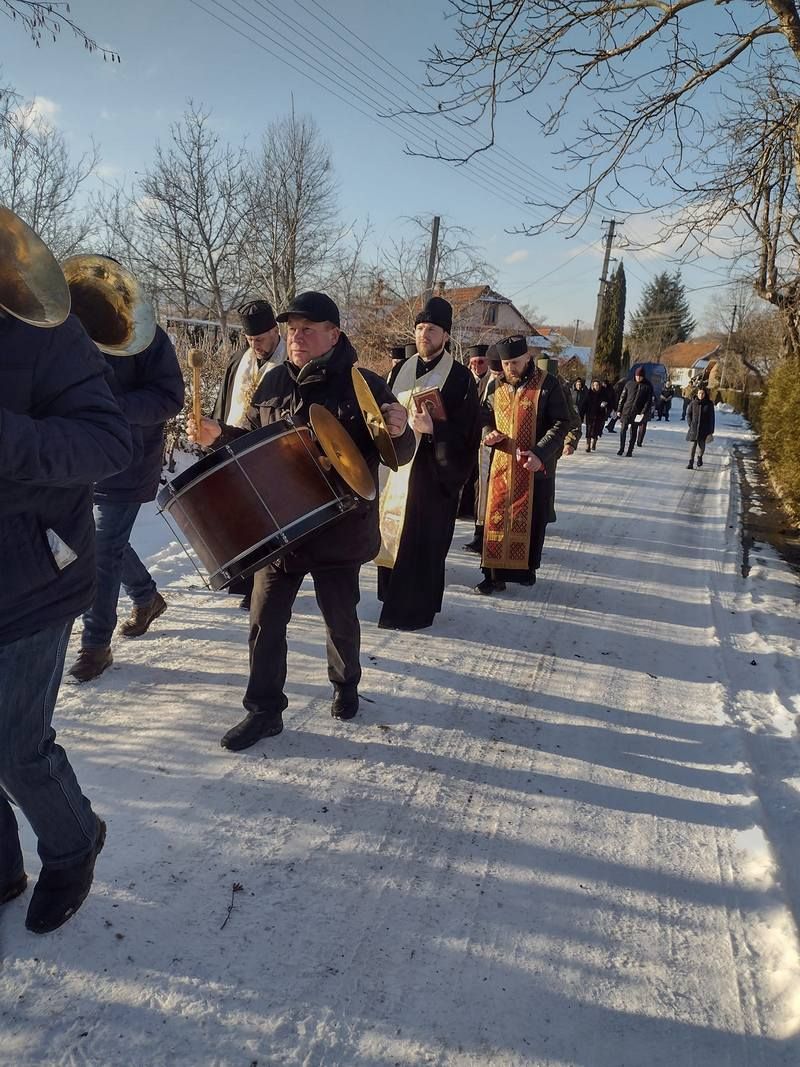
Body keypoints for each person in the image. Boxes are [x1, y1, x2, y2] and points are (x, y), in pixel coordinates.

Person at [189, 291, 415, 750]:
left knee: (340, 619)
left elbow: (400, 452)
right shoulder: (272, 383)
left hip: (339, 529)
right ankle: (264, 710)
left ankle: (346, 683)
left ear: (334, 334)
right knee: (264, 621)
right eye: (292, 330)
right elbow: (250, 446)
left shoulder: (365, 385)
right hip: (281, 530)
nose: (296, 337)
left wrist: (401, 429)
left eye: (307, 329)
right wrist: (219, 436)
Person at [1, 280, 133, 933]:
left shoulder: (44, 330)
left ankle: (75, 842)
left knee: (15, 745)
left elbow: (108, 443)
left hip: (31, 575)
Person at [67, 322, 185, 682]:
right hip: (75, 457)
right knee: (102, 542)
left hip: (126, 461)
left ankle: (95, 645)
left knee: (102, 547)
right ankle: (146, 596)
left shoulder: (144, 331)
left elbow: (169, 397)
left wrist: (108, 406)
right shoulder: (64, 326)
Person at [376, 296, 481, 630]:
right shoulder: (399, 370)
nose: (424, 334)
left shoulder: (461, 378)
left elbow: (469, 433)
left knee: (423, 542)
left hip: (432, 475)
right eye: (420, 327)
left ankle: (414, 613)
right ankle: (391, 600)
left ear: (445, 335)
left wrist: (436, 430)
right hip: (397, 469)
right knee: (394, 535)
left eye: (432, 329)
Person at [476, 336, 570, 594]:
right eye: (506, 364)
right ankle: (492, 575)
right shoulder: (496, 386)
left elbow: (561, 422)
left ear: (527, 357)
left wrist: (540, 453)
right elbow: (484, 415)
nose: (510, 368)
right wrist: (488, 432)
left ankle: (525, 571)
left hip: (535, 468)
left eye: (515, 363)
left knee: (531, 522)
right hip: (502, 467)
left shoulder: (548, 384)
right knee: (496, 519)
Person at [211, 299, 286, 611]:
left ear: (275, 331)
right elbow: (224, 402)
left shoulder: (288, 364)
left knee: (267, 518)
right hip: (235, 446)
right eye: (250, 339)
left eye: (261, 339)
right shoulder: (239, 361)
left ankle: (262, 584)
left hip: (270, 453)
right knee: (242, 516)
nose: (256, 345)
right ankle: (243, 579)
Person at [459, 344, 491, 523]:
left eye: (480, 362)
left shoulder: (493, 381)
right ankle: (462, 508)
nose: (476, 366)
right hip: (465, 434)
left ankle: (477, 513)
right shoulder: (463, 378)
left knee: (481, 477)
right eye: (473, 362)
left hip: (484, 436)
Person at [616, 367, 654, 456]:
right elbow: (622, 397)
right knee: (623, 430)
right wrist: (619, 409)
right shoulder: (629, 384)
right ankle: (621, 448)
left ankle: (630, 450)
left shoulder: (647, 386)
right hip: (626, 410)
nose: (638, 378)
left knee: (633, 431)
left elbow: (648, 402)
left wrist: (643, 413)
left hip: (637, 413)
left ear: (643, 377)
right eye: (637, 376)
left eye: (640, 376)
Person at [686, 385, 715, 469]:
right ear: (697, 394)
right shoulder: (693, 403)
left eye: (702, 393)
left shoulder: (709, 404)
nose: (701, 395)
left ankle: (699, 457)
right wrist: (690, 424)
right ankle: (690, 462)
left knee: (701, 446)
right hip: (694, 428)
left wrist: (711, 430)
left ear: (705, 394)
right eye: (699, 393)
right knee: (692, 446)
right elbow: (688, 414)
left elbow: (712, 418)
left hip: (704, 428)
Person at [583, 379, 606, 452]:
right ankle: (588, 445)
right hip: (590, 414)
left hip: (599, 415)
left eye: (597, 385)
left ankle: (594, 443)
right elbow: (585, 404)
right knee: (589, 430)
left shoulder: (602, 394)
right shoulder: (589, 393)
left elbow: (607, 402)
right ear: (592, 386)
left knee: (596, 430)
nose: (596, 386)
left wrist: (603, 405)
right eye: (594, 385)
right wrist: (582, 413)